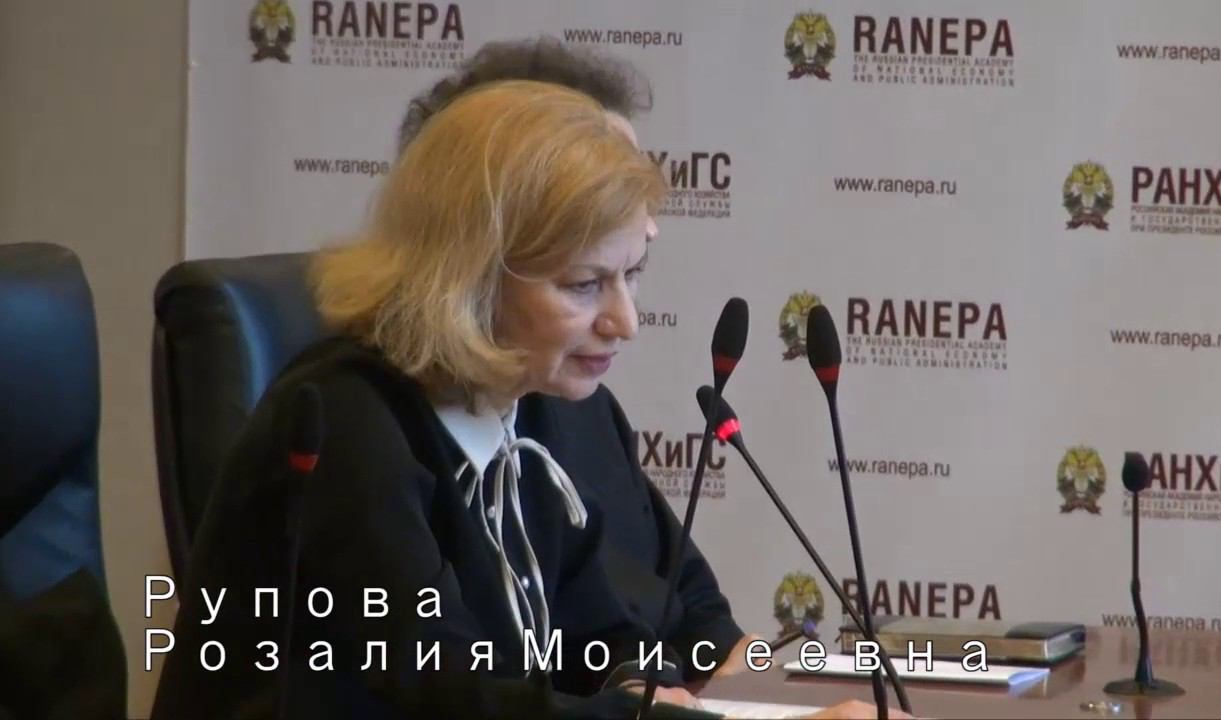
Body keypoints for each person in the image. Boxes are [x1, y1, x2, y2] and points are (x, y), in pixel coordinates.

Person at [151, 78, 898, 720]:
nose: (626, 322)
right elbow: (444, 696)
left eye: (632, 274)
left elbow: (613, 623)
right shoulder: (348, 425)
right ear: (469, 277)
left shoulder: (538, 405)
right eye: (585, 285)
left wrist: (666, 682)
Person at [395, 35, 758, 681]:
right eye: (585, 280)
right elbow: (449, 688)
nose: (646, 221)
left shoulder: (567, 413)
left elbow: (665, 620)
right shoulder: (363, 429)